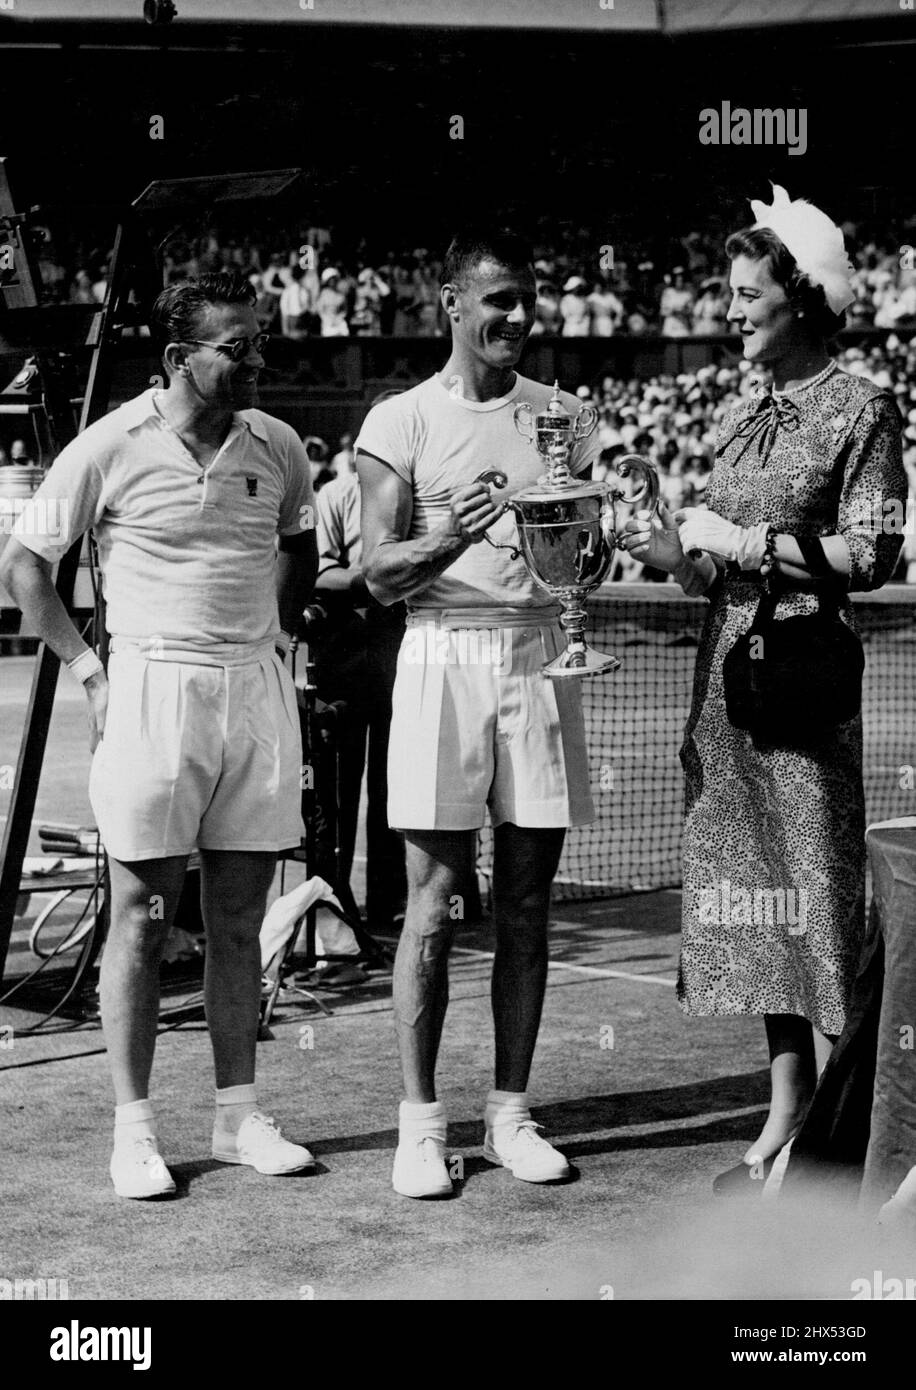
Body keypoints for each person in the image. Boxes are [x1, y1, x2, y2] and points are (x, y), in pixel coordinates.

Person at [0, 272, 319, 1199]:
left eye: (262, 342)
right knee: (139, 916)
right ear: (181, 358)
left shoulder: (281, 444)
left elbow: (297, 539)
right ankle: (133, 1130)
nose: (259, 359)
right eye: (241, 346)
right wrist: (93, 673)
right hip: (151, 683)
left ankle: (235, 1118)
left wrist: (286, 633)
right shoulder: (106, 445)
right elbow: (26, 567)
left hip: (256, 688)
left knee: (237, 919)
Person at [621, 186, 906, 1196]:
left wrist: (750, 543)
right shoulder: (741, 419)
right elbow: (712, 571)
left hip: (800, 686)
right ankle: (784, 1114)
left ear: (802, 299)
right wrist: (671, 550)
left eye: (748, 294)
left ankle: (839, 1143)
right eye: (728, 293)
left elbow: (872, 550)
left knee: (820, 909)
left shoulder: (862, 403)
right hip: (724, 689)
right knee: (759, 913)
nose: (731, 310)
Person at [356, 228, 600, 1199]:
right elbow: (376, 573)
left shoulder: (566, 417)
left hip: (540, 654)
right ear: (451, 305)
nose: (515, 318)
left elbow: (591, 554)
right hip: (441, 652)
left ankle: (509, 1112)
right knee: (430, 906)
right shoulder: (399, 419)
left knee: (530, 901)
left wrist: (576, 543)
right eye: (496, 299)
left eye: (525, 300)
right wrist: (454, 531)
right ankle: (420, 1126)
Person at [311, 422, 407, 934]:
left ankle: (389, 906)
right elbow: (315, 571)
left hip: (399, 655)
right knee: (335, 795)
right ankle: (331, 905)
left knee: (397, 792)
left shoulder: (420, 494)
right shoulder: (334, 495)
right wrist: (371, 579)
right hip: (343, 656)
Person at [316, 268, 349, 337]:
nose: (333, 282)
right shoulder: (323, 294)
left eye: (334, 280)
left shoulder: (341, 295)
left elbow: (344, 310)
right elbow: (320, 310)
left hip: (339, 321)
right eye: (330, 280)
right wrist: (327, 319)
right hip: (327, 322)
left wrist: (339, 318)